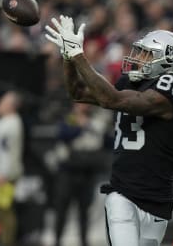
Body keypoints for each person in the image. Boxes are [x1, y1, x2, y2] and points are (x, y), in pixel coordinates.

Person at [45, 15, 173, 246]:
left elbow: (111, 98)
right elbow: (77, 92)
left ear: (168, 61)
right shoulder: (129, 82)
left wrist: (78, 55)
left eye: (146, 54)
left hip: (158, 195)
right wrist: (67, 57)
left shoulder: (171, 86)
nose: (138, 58)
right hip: (123, 190)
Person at [48, 103, 111, 246]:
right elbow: (63, 135)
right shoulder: (69, 119)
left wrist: (91, 125)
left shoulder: (96, 120)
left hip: (87, 172)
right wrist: (80, 126)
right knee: (62, 209)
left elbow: (108, 141)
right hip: (68, 172)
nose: (84, 106)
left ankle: (84, 241)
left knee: (84, 210)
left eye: (86, 103)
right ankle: (57, 240)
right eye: (80, 103)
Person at [0, 91, 24, 246]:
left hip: (7, 174)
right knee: (1, 211)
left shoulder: (12, 124)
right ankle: (4, 240)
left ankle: (7, 242)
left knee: (5, 211)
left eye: (3, 102)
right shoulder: (5, 121)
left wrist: (3, 174)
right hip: (3, 173)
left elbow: (8, 152)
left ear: (11, 106)